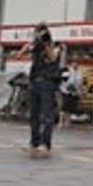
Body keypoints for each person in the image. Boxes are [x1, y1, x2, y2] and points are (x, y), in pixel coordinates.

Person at [22, 23, 63, 157]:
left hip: (48, 83)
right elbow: (20, 54)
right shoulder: (35, 46)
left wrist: (47, 44)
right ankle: (34, 142)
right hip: (34, 82)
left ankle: (45, 144)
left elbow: (52, 58)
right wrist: (28, 47)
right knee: (33, 115)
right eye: (37, 32)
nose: (39, 35)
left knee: (47, 116)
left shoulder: (55, 45)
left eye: (41, 32)